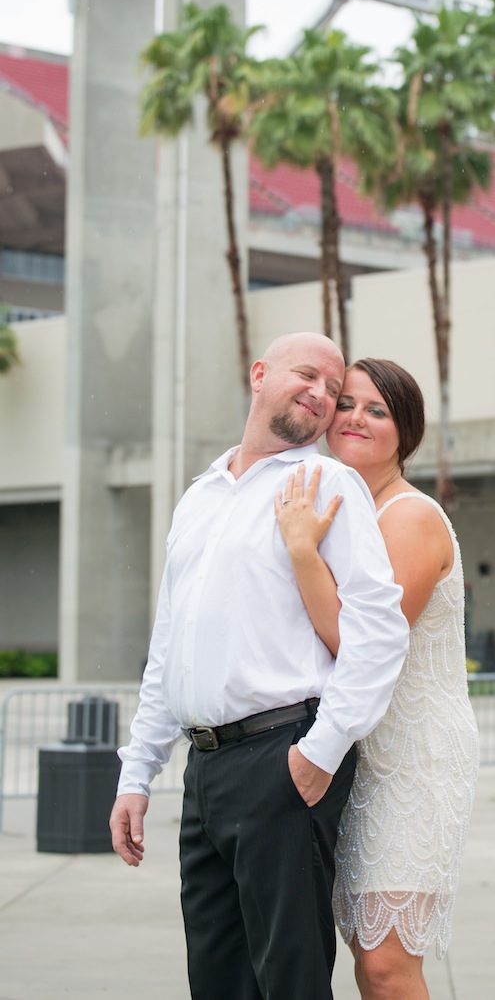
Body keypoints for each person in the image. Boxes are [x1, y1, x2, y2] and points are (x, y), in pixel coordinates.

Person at [109, 333, 409, 1000]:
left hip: (285, 757)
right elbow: (170, 646)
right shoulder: (198, 498)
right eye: (308, 374)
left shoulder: (328, 483)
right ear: (260, 373)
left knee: (290, 979)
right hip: (206, 768)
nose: (321, 394)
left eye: (332, 388)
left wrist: (320, 751)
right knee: (216, 976)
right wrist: (137, 771)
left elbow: (378, 631)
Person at [274, 358, 479, 1000]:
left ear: (405, 433)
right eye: (347, 404)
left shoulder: (409, 518)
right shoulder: (345, 509)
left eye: (378, 409)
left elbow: (356, 645)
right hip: (354, 757)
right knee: (366, 961)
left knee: (388, 967)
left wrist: (302, 551)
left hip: (414, 763)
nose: (355, 418)